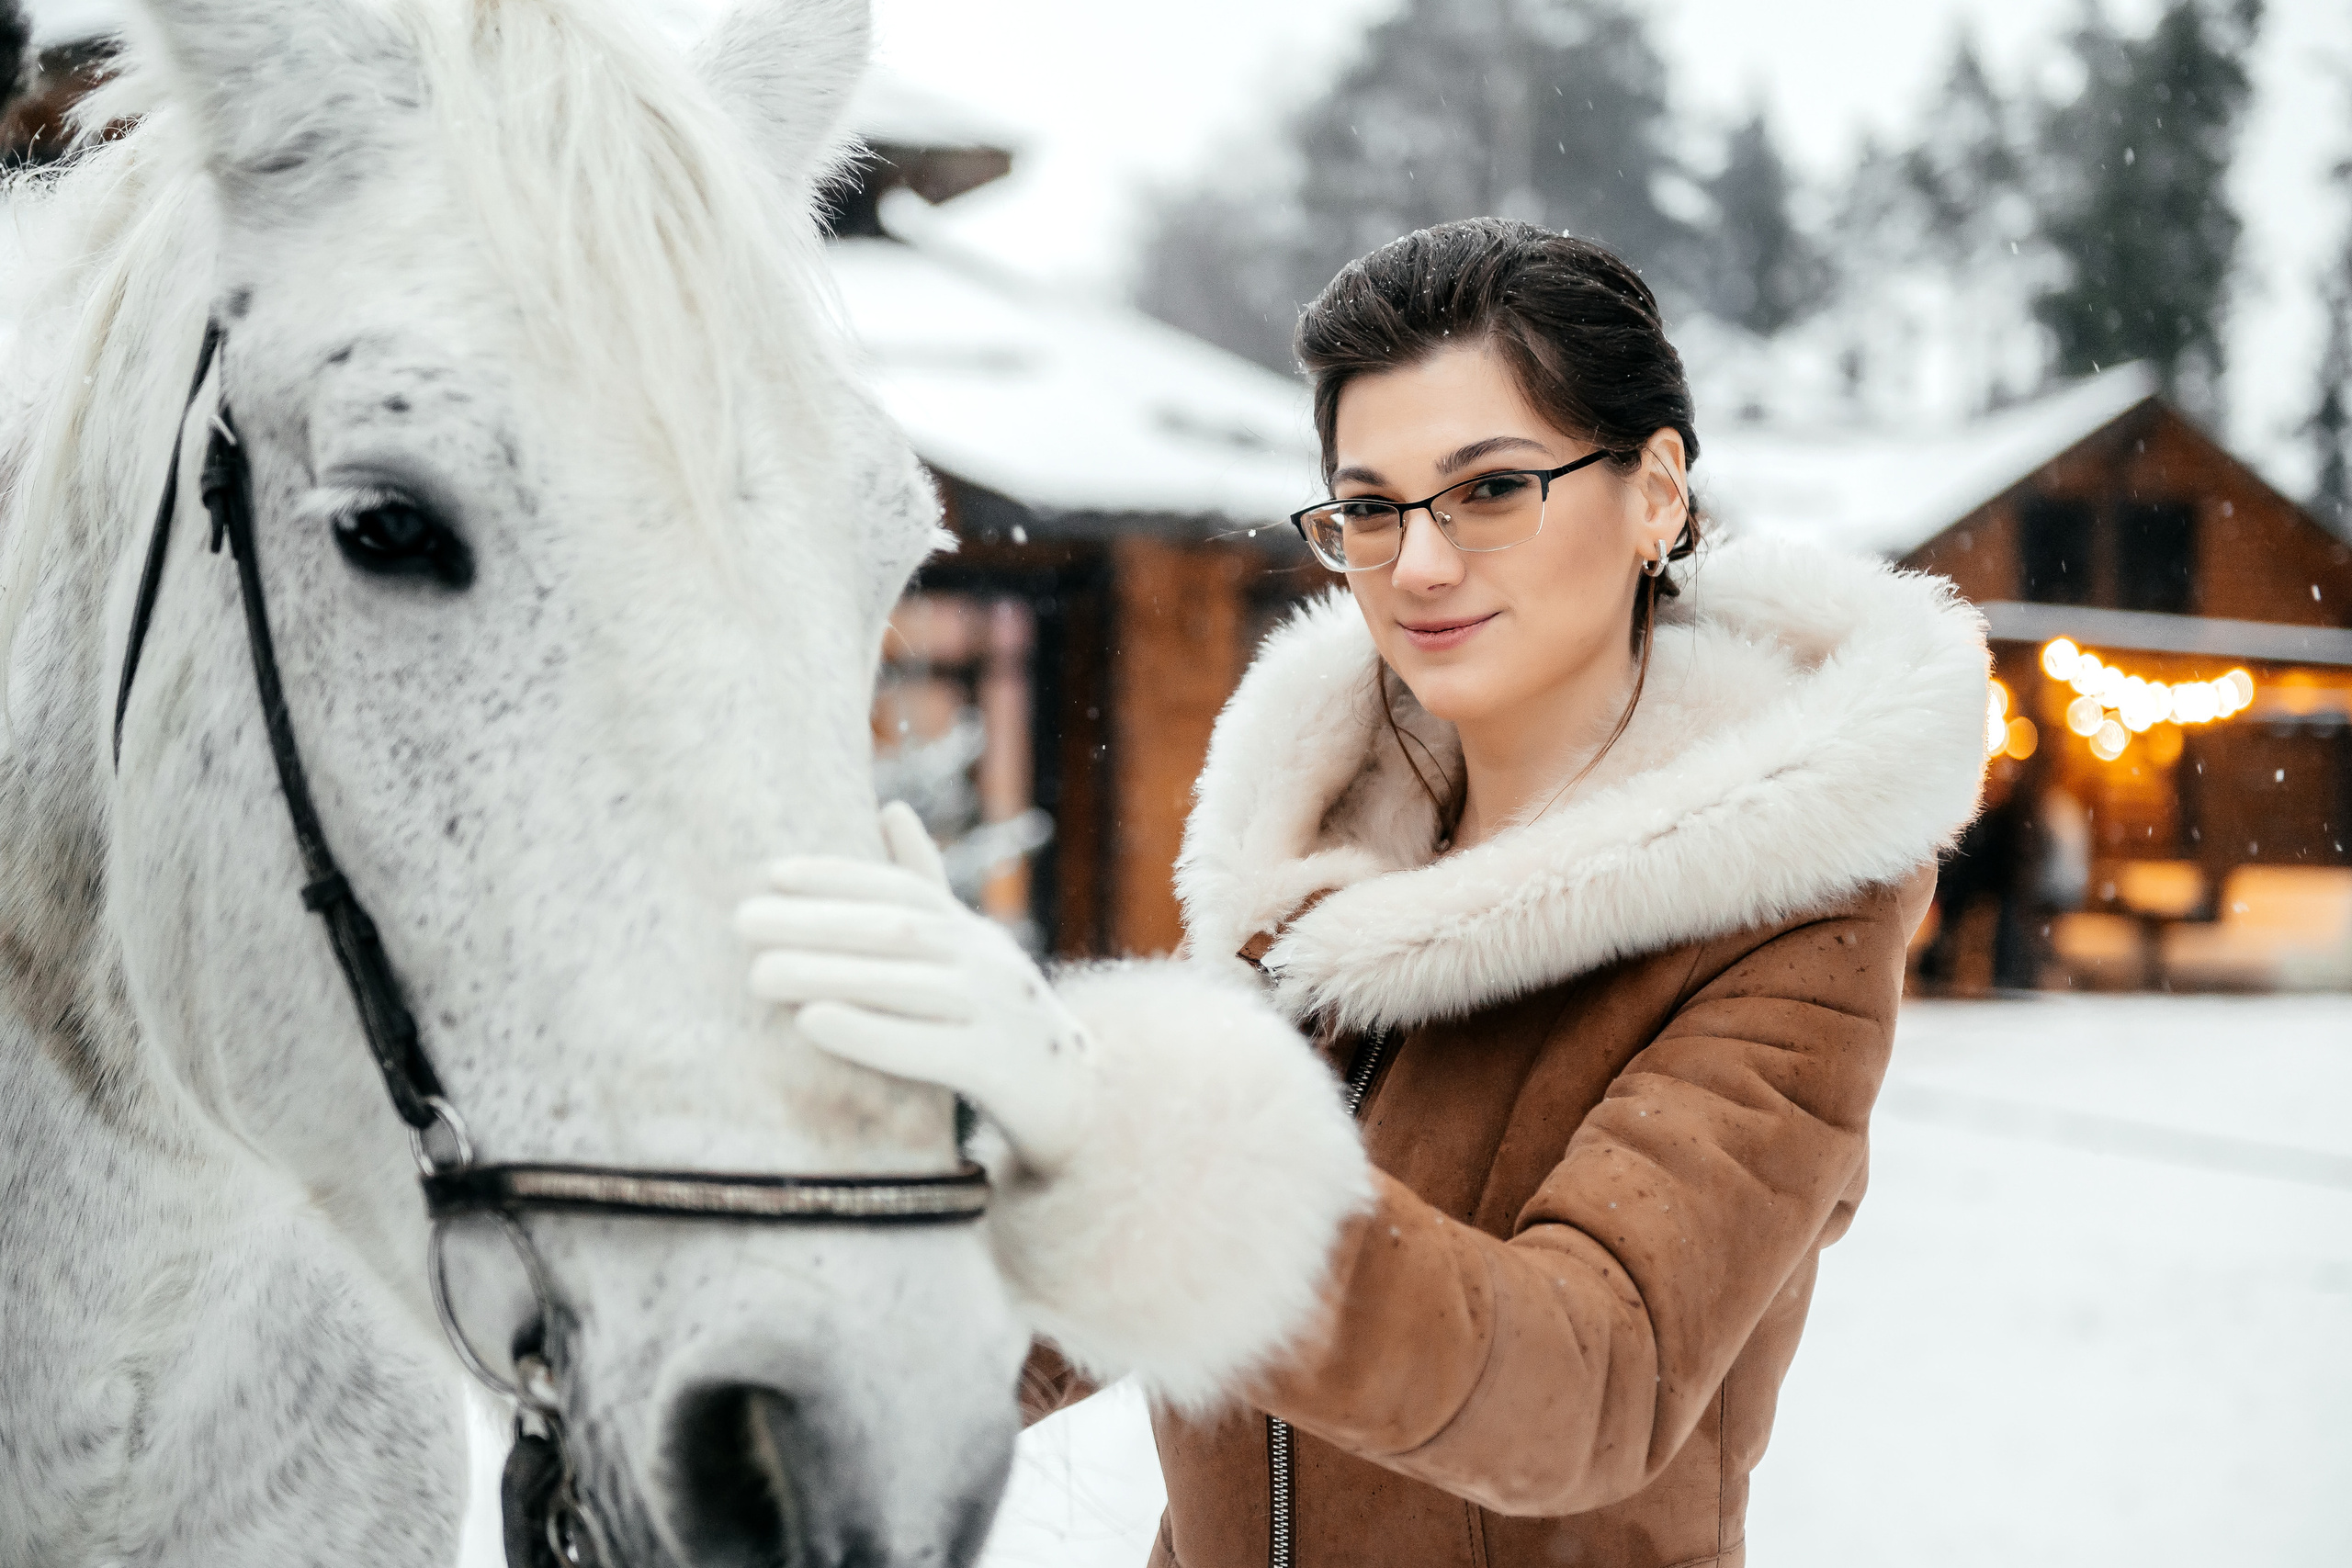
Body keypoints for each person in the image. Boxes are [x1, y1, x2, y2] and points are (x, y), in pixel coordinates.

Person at [736, 219, 1990, 1568]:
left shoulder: (1786, 913)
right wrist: (889, 1196)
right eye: (1371, 506)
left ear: (1658, 494)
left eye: (1492, 489)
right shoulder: (1323, 851)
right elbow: (1102, 1299)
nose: (1420, 564)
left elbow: (1587, 1388)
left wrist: (1124, 1130)